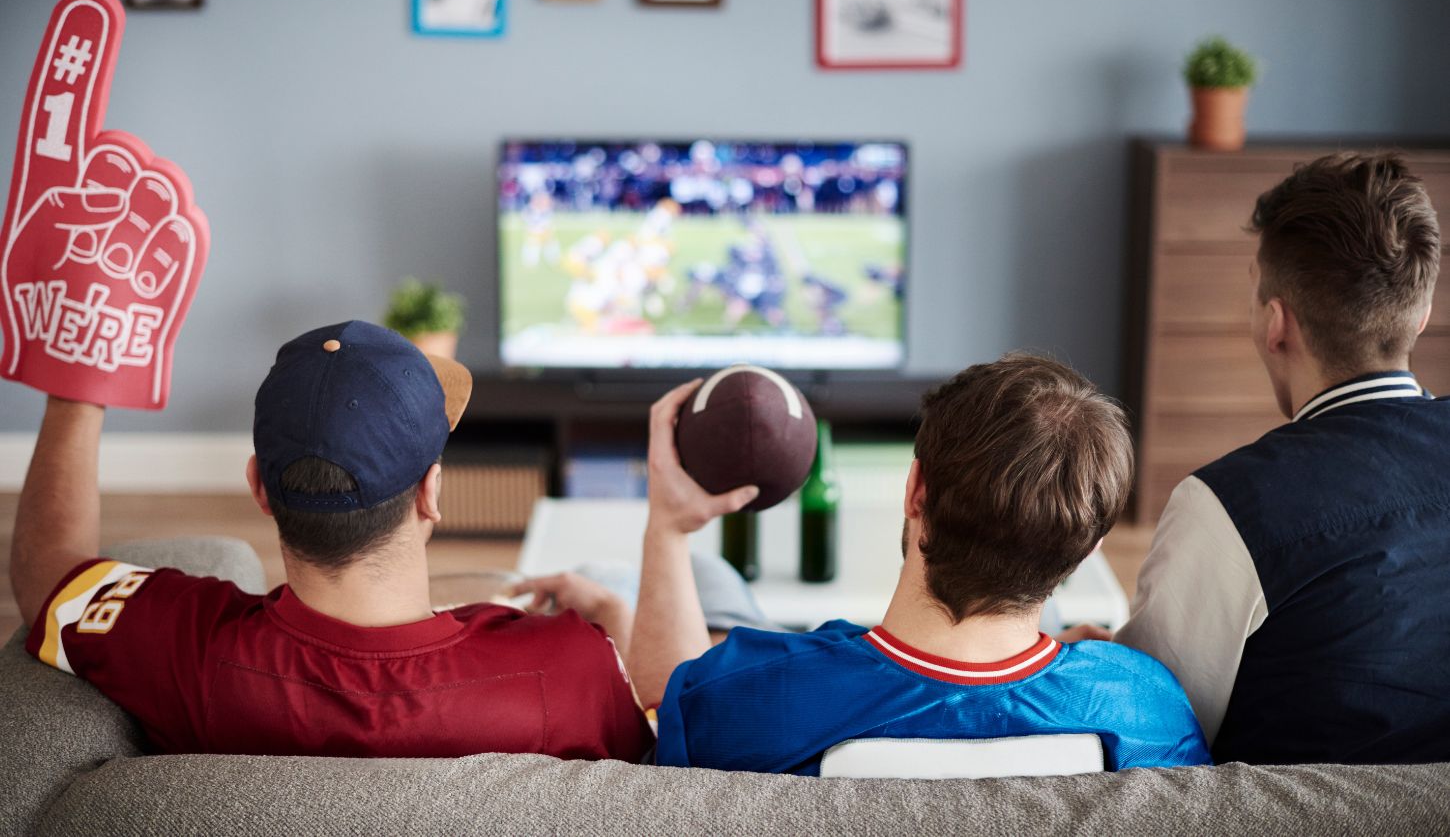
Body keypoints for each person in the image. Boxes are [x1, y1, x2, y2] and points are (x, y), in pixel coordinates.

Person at [14, 320, 653, 760]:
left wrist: (78, 390)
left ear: (258, 489)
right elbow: (656, 765)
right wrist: (614, 622)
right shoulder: (571, 663)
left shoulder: (179, 646)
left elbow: (47, 571)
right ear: (431, 492)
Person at [606, 354, 1210, 775]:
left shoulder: (744, 694)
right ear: (1088, 548)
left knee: (696, 583)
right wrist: (1083, 663)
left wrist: (667, 525)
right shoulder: (1144, 706)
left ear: (915, 489)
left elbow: (662, 703)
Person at [1115, 152, 1448, 765]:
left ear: (1276, 324)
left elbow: (1147, 736)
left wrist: (1110, 671)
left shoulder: (1228, 506)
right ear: (1421, 316)